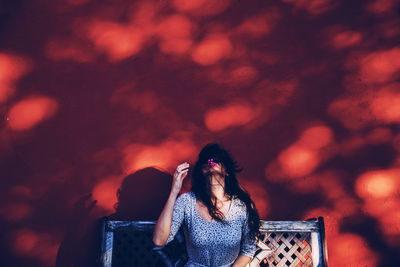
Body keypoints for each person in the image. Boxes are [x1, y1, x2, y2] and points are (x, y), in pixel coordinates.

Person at [153, 143, 261, 267]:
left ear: (227, 171)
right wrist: (174, 191)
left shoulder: (241, 207)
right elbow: (159, 240)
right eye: (206, 161)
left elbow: (248, 250)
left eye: (216, 160)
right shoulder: (187, 202)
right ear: (201, 171)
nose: (211, 164)